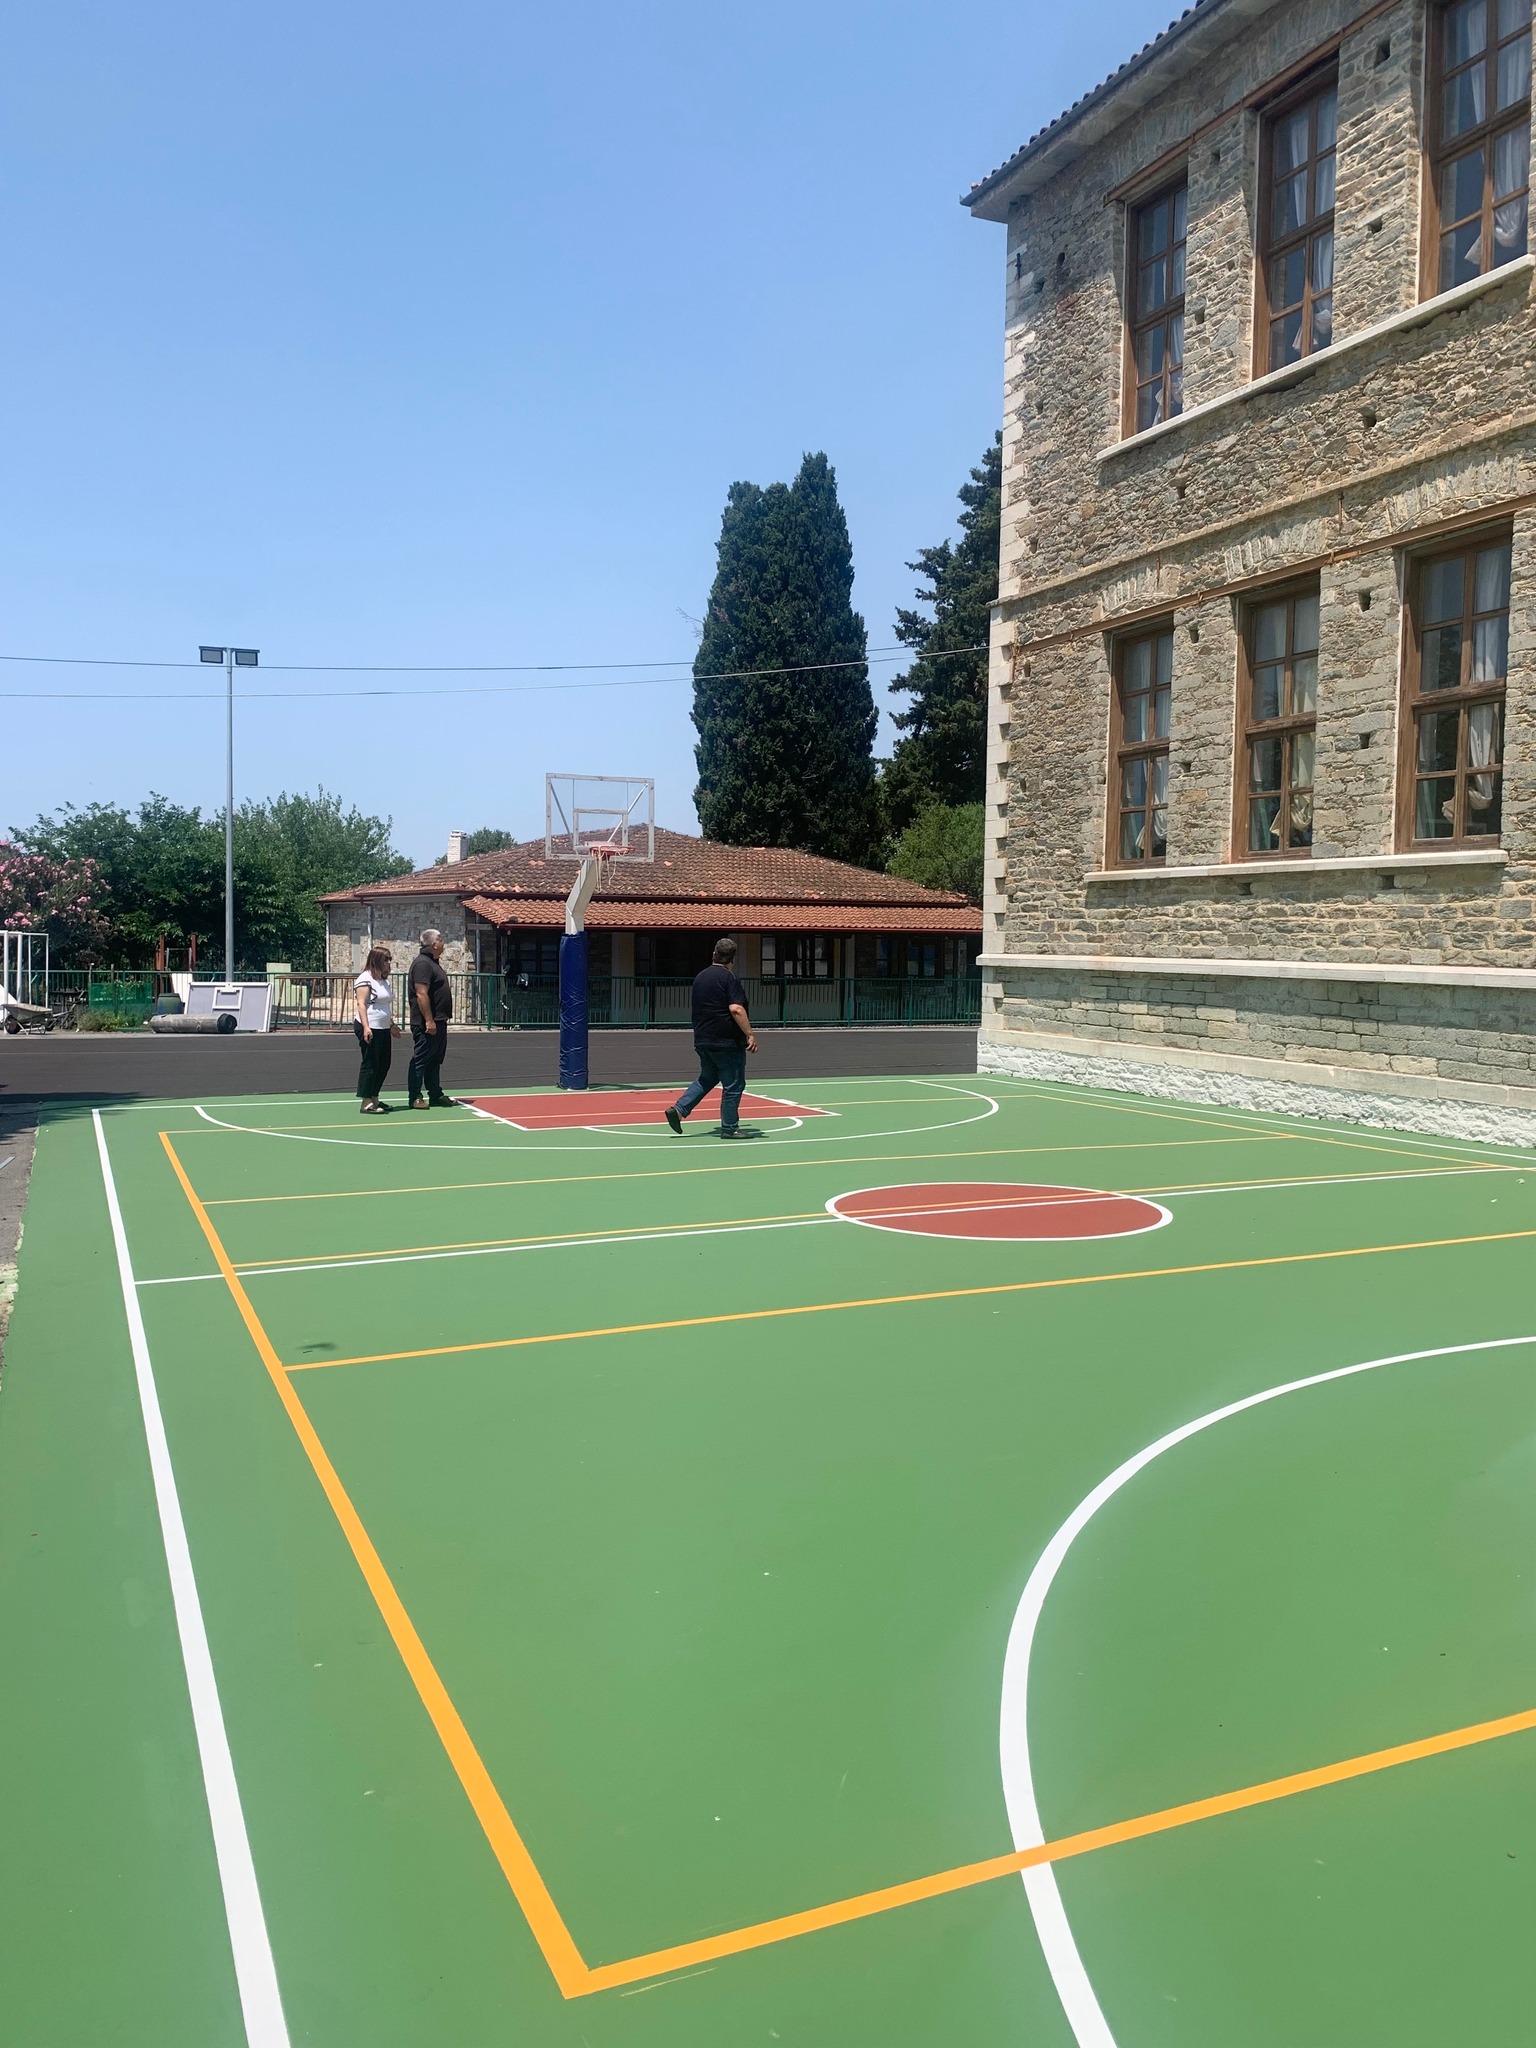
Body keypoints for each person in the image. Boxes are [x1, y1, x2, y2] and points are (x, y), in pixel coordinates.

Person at [665, 937, 760, 1139]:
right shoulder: (729, 978)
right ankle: (730, 1127)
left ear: (714, 955)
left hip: (703, 1039)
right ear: (732, 959)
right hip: (726, 1042)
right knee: (733, 1084)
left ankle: (679, 1110)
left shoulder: (700, 977)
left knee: (707, 1077)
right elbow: (736, 1008)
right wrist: (750, 1034)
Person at [407, 928, 457, 1109]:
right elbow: (421, 993)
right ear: (434, 944)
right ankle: (415, 1096)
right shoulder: (423, 964)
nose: (444, 943)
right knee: (421, 1059)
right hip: (427, 1023)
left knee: (435, 1059)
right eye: (441, 940)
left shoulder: (433, 963)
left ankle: (435, 1094)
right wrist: (429, 1020)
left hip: (439, 1021)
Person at [352, 943, 400, 1113]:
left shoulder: (383, 980)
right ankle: (365, 1102)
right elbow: (361, 1004)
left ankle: (374, 1097)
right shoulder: (365, 979)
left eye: (389, 960)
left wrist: (391, 1025)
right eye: (386, 960)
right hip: (370, 1026)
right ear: (376, 961)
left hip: (383, 1027)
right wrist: (366, 1027)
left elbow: (384, 1005)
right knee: (371, 1063)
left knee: (384, 1063)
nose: (389, 963)